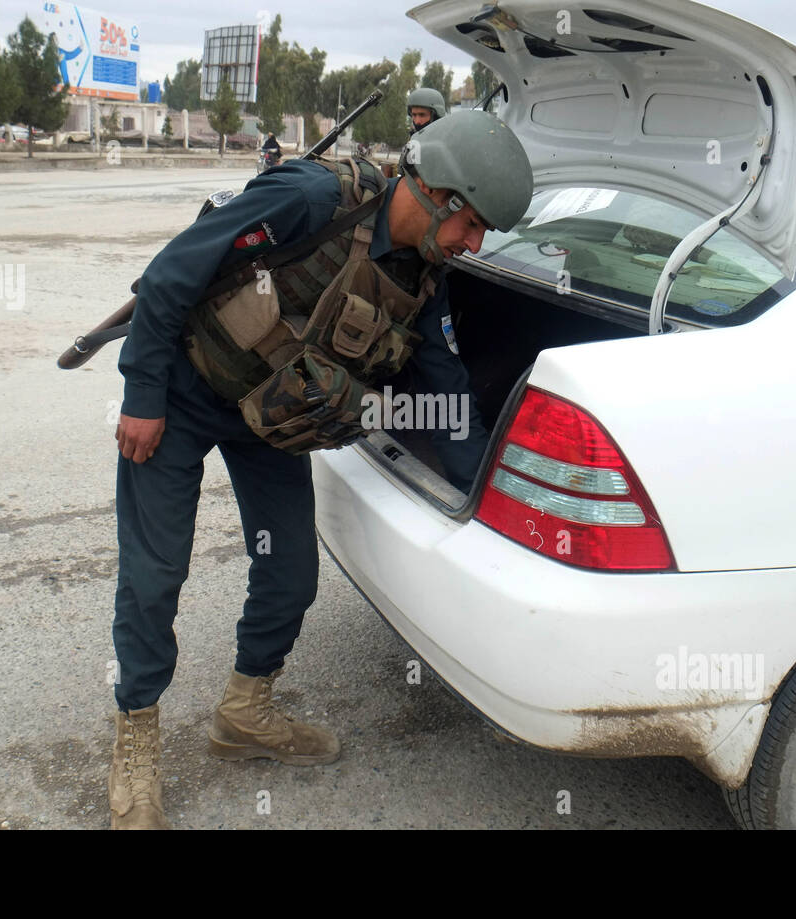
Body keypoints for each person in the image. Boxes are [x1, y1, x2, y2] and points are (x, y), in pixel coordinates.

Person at [108, 110, 533, 829]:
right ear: (436, 192)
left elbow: (446, 385)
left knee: (292, 572)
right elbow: (174, 273)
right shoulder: (311, 200)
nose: (474, 244)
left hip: (267, 418)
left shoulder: (425, 277)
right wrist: (143, 392)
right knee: (155, 575)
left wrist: (489, 490)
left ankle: (245, 710)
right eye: (472, 224)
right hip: (182, 394)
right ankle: (136, 737)